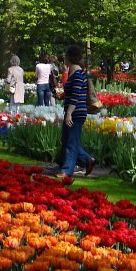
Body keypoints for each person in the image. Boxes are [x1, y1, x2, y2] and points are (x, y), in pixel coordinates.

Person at [57, 44, 95, 179]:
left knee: (71, 142)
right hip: (72, 111)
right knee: (66, 139)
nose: (64, 59)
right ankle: (87, 160)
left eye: (65, 56)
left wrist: (69, 113)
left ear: (70, 57)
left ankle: (67, 171)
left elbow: (76, 95)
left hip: (76, 113)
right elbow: (68, 91)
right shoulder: (73, 73)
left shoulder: (79, 74)